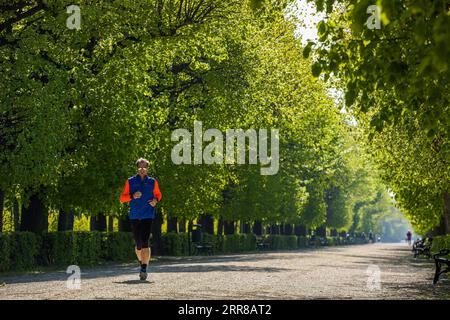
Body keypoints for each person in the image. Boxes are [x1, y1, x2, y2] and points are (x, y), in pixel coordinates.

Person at [120, 158, 162, 280]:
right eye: (140, 166)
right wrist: (132, 196)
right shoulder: (130, 181)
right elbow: (122, 198)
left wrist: (155, 200)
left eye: (145, 167)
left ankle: (143, 268)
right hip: (135, 216)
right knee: (138, 244)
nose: (142, 169)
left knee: (145, 242)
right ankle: (142, 262)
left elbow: (158, 195)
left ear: (147, 168)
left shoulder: (152, 182)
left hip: (148, 215)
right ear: (137, 168)